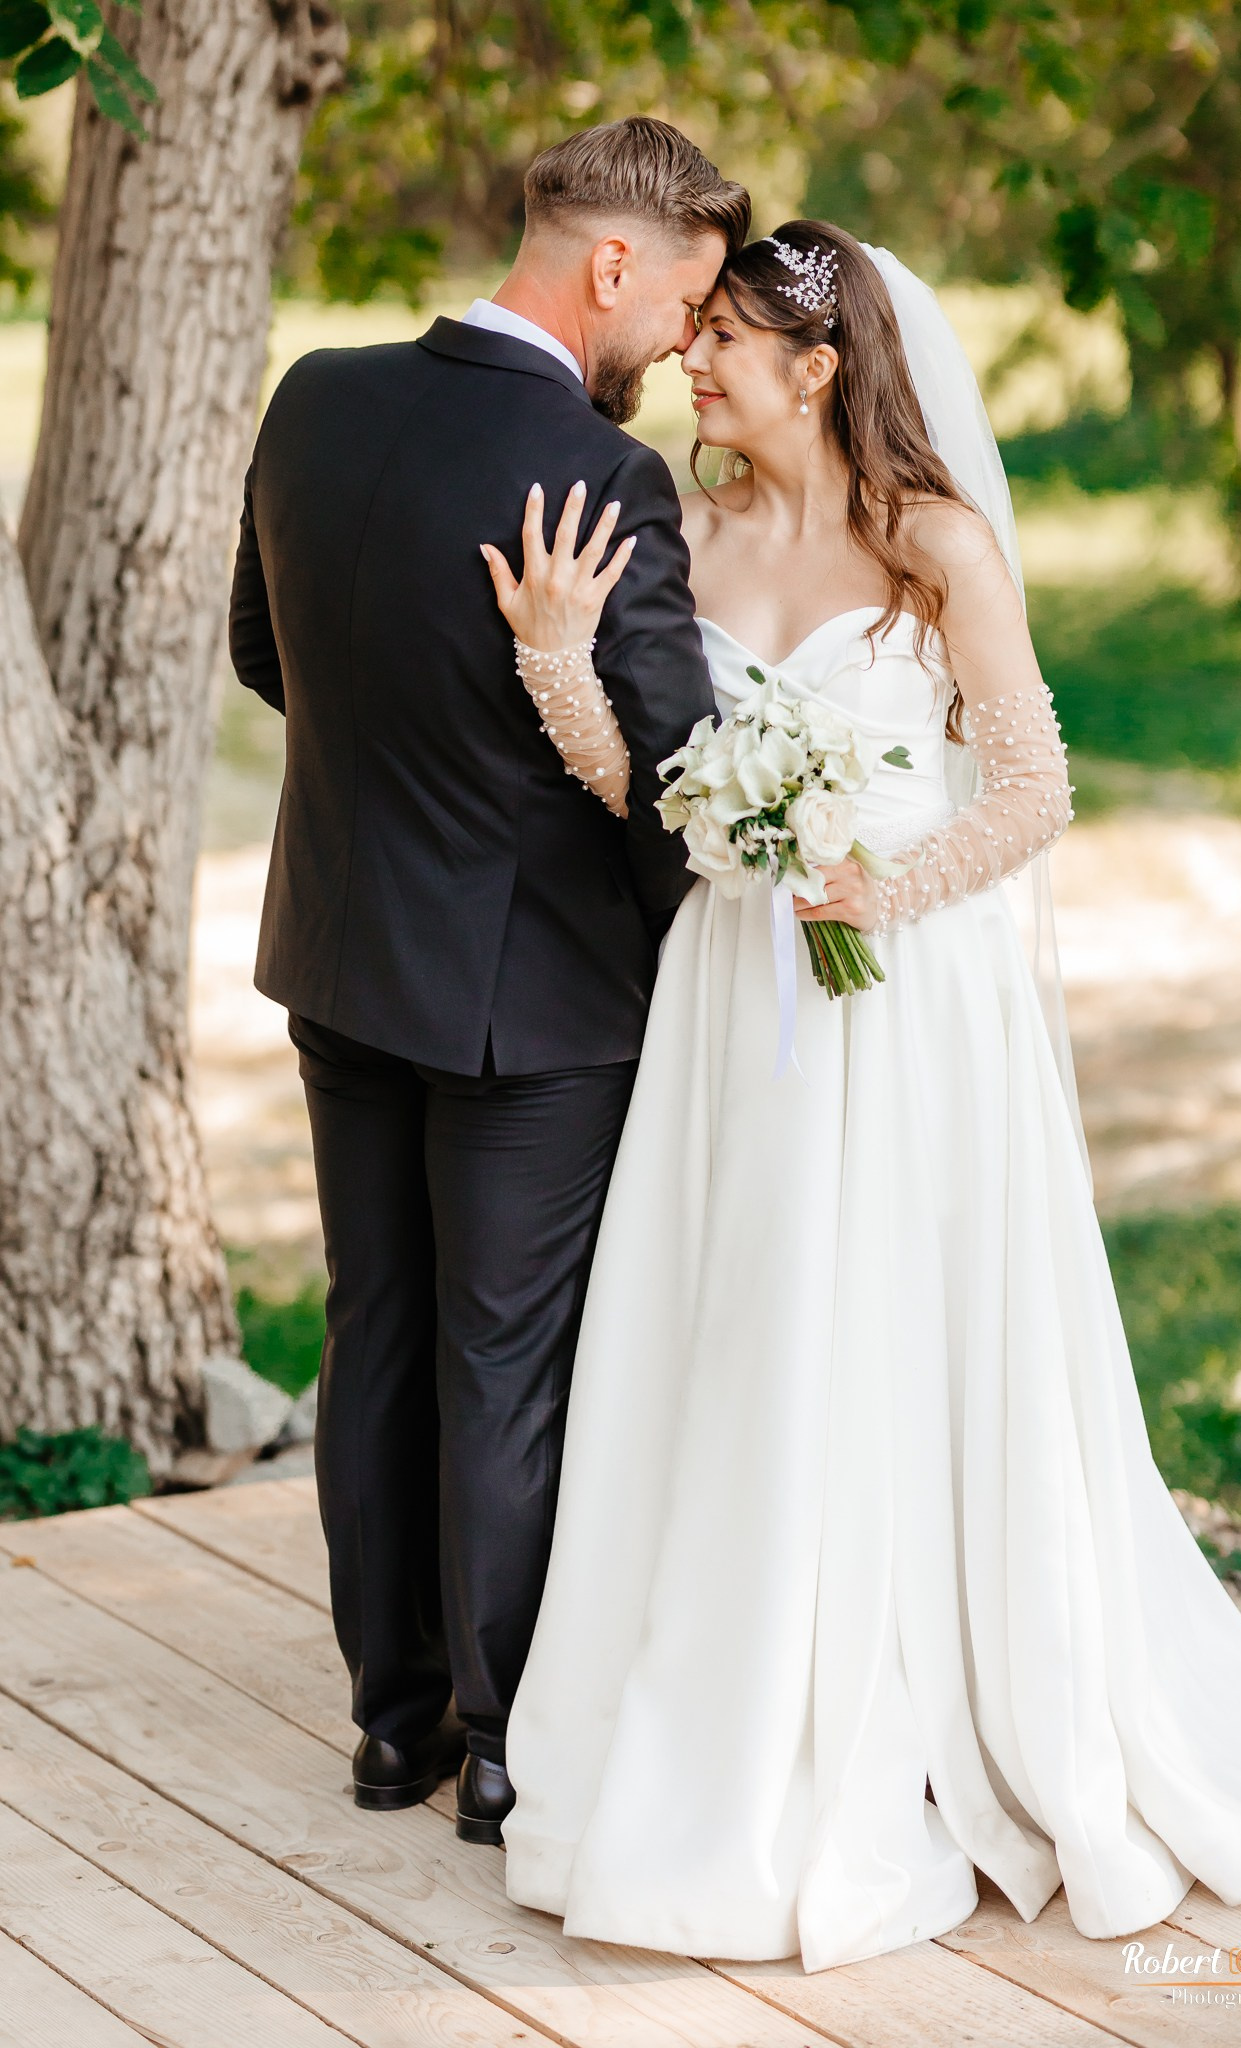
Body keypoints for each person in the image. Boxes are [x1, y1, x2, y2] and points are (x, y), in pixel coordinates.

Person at [483, 221, 1241, 1969]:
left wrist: (878, 887)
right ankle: (740, 1693)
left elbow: (1031, 791)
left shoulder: (935, 544)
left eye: (724, 339)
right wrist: (559, 659)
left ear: (815, 368)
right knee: (742, 1320)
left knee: (900, 1317)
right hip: (734, 990)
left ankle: (950, 1683)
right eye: (694, 334)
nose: (691, 360)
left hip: (906, 993)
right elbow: (647, 788)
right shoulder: (690, 529)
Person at [227, 119, 750, 1843]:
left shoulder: (317, 398)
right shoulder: (598, 473)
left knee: (375, 1330)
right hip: (534, 1001)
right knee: (503, 1362)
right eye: (682, 300)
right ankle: (506, 1735)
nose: (682, 338)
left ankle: (393, 1728)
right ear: (611, 263)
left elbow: (263, 649)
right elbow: (678, 779)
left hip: (338, 954)